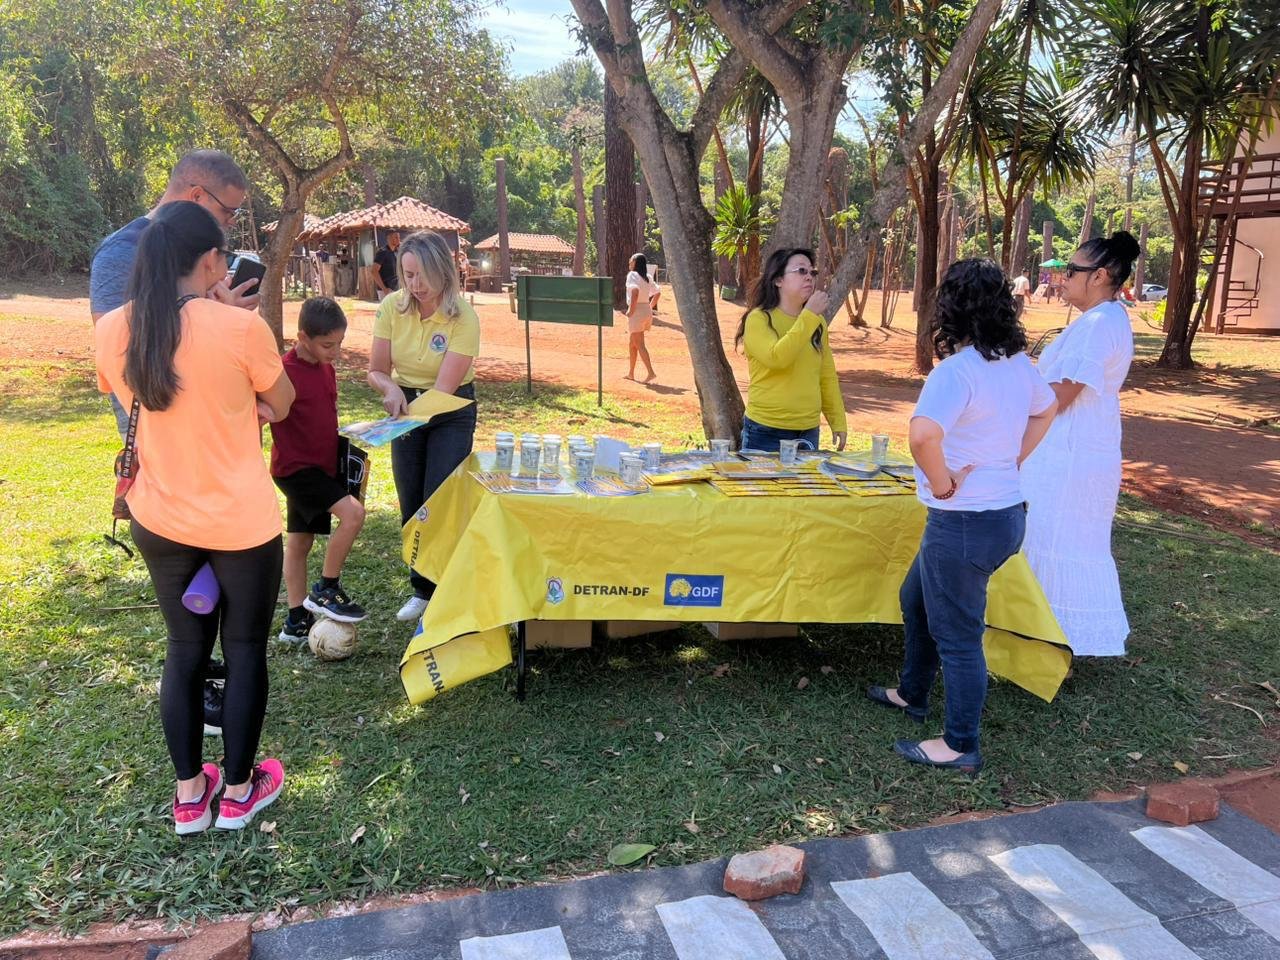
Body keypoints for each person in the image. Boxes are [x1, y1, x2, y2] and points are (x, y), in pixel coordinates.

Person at [94, 201, 295, 833]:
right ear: (211, 260)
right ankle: (238, 792)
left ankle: (189, 796)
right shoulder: (240, 328)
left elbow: (137, 395)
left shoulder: (114, 328)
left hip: (161, 518)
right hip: (241, 522)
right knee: (244, 649)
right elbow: (282, 402)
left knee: (183, 650)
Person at [867, 258, 1057, 773]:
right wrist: (1013, 458)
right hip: (1003, 517)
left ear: (949, 307)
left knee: (958, 637)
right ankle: (912, 692)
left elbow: (923, 436)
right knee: (916, 600)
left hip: (965, 522)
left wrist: (942, 483)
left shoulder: (956, 372)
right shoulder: (1017, 364)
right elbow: (1046, 409)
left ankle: (960, 745)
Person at [1020, 232, 1139, 657]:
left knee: (1055, 539)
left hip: (1069, 454)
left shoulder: (1099, 324)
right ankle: (1042, 639)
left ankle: (1053, 644)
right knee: (1054, 537)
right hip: (1074, 447)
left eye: (1072, 270)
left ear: (1100, 276)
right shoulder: (1101, 320)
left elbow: (1058, 397)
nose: (1063, 278)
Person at [91, 150, 261, 439]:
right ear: (197, 196)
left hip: (207, 414)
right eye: (228, 211)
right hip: (153, 420)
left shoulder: (201, 251)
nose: (231, 221)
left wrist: (225, 312)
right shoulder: (121, 252)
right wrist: (220, 317)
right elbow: (117, 344)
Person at [367, 231, 480, 623]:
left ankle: (446, 588)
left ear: (443, 271)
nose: (415, 285)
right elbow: (376, 371)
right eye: (408, 275)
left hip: (449, 409)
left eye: (422, 275)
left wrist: (406, 410)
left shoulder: (463, 317)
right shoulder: (391, 307)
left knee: (440, 499)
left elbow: (444, 390)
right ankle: (422, 590)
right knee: (411, 500)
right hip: (407, 407)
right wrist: (390, 389)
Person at [270, 297, 368, 643]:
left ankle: (296, 621)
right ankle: (327, 588)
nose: (336, 352)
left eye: (340, 343)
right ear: (303, 337)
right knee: (353, 515)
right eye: (328, 345)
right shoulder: (282, 372)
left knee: (300, 541)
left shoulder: (326, 367)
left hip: (322, 467)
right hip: (296, 469)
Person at [734, 247, 848, 453]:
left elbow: (826, 376)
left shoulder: (817, 322)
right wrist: (809, 315)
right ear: (778, 280)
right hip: (765, 430)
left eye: (812, 272)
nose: (809, 277)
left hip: (808, 430)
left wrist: (837, 420)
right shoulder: (759, 319)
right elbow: (777, 358)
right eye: (801, 271)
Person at [624, 253, 658, 383]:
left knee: (639, 344)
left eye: (631, 260)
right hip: (645, 310)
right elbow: (657, 292)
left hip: (637, 311)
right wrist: (649, 306)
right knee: (632, 343)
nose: (629, 262)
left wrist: (631, 310)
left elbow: (635, 291)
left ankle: (651, 372)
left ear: (635, 262)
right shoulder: (648, 277)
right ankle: (631, 373)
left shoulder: (632, 275)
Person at [373, 231, 401, 300]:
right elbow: (374, 271)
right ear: (389, 238)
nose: (399, 240)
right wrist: (384, 289)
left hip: (395, 288)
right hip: (386, 290)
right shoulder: (382, 252)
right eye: (396, 237)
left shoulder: (396, 252)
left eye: (399, 237)